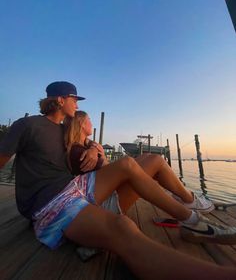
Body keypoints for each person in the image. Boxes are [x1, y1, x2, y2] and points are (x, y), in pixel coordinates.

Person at [0, 81, 235, 280]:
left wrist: (93, 147)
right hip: (50, 203)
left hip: (74, 188)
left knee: (130, 163)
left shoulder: (63, 130)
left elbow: (79, 139)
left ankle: (192, 218)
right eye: (74, 99)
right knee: (123, 227)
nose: (77, 104)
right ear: (60, 100)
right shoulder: (27, 125)